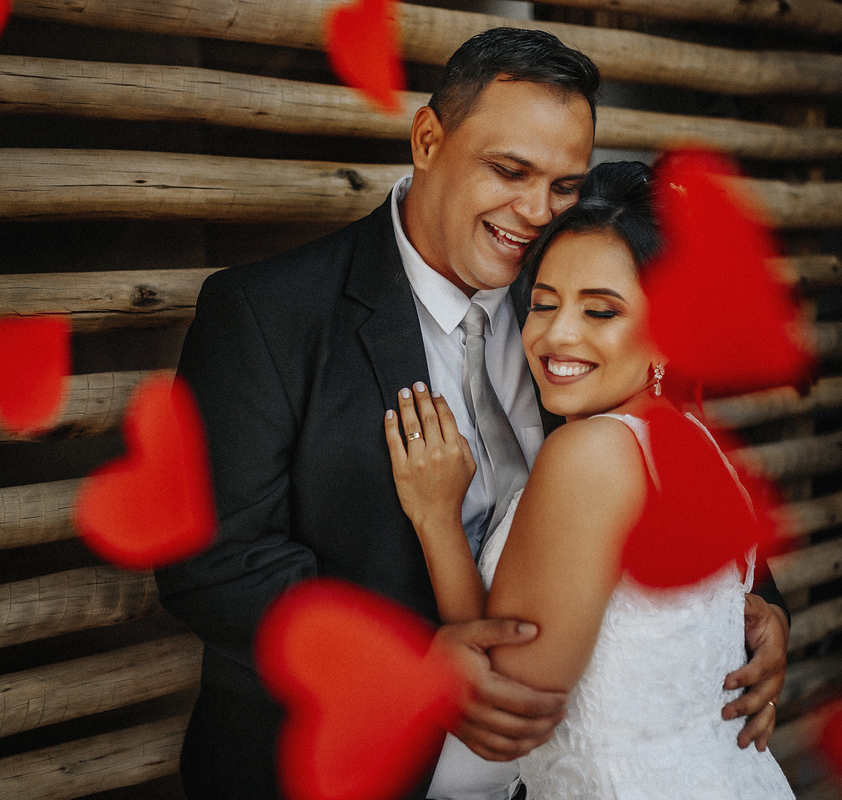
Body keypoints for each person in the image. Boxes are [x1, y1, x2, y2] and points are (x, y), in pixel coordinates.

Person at [156, 28, 788, 800]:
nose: (537, 211)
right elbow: (214, 564)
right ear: (428, 139)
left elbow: (672, 470)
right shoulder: (267, 313)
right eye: (510, 170)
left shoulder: (576, 301)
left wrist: (758, 616)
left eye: (563, 185)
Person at [385, 161, 795, 798]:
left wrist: (438, 520)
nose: (557, 334)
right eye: (543, 304)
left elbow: (510, 703)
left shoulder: (591, 452)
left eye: (600, 312)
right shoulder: (697, 445)